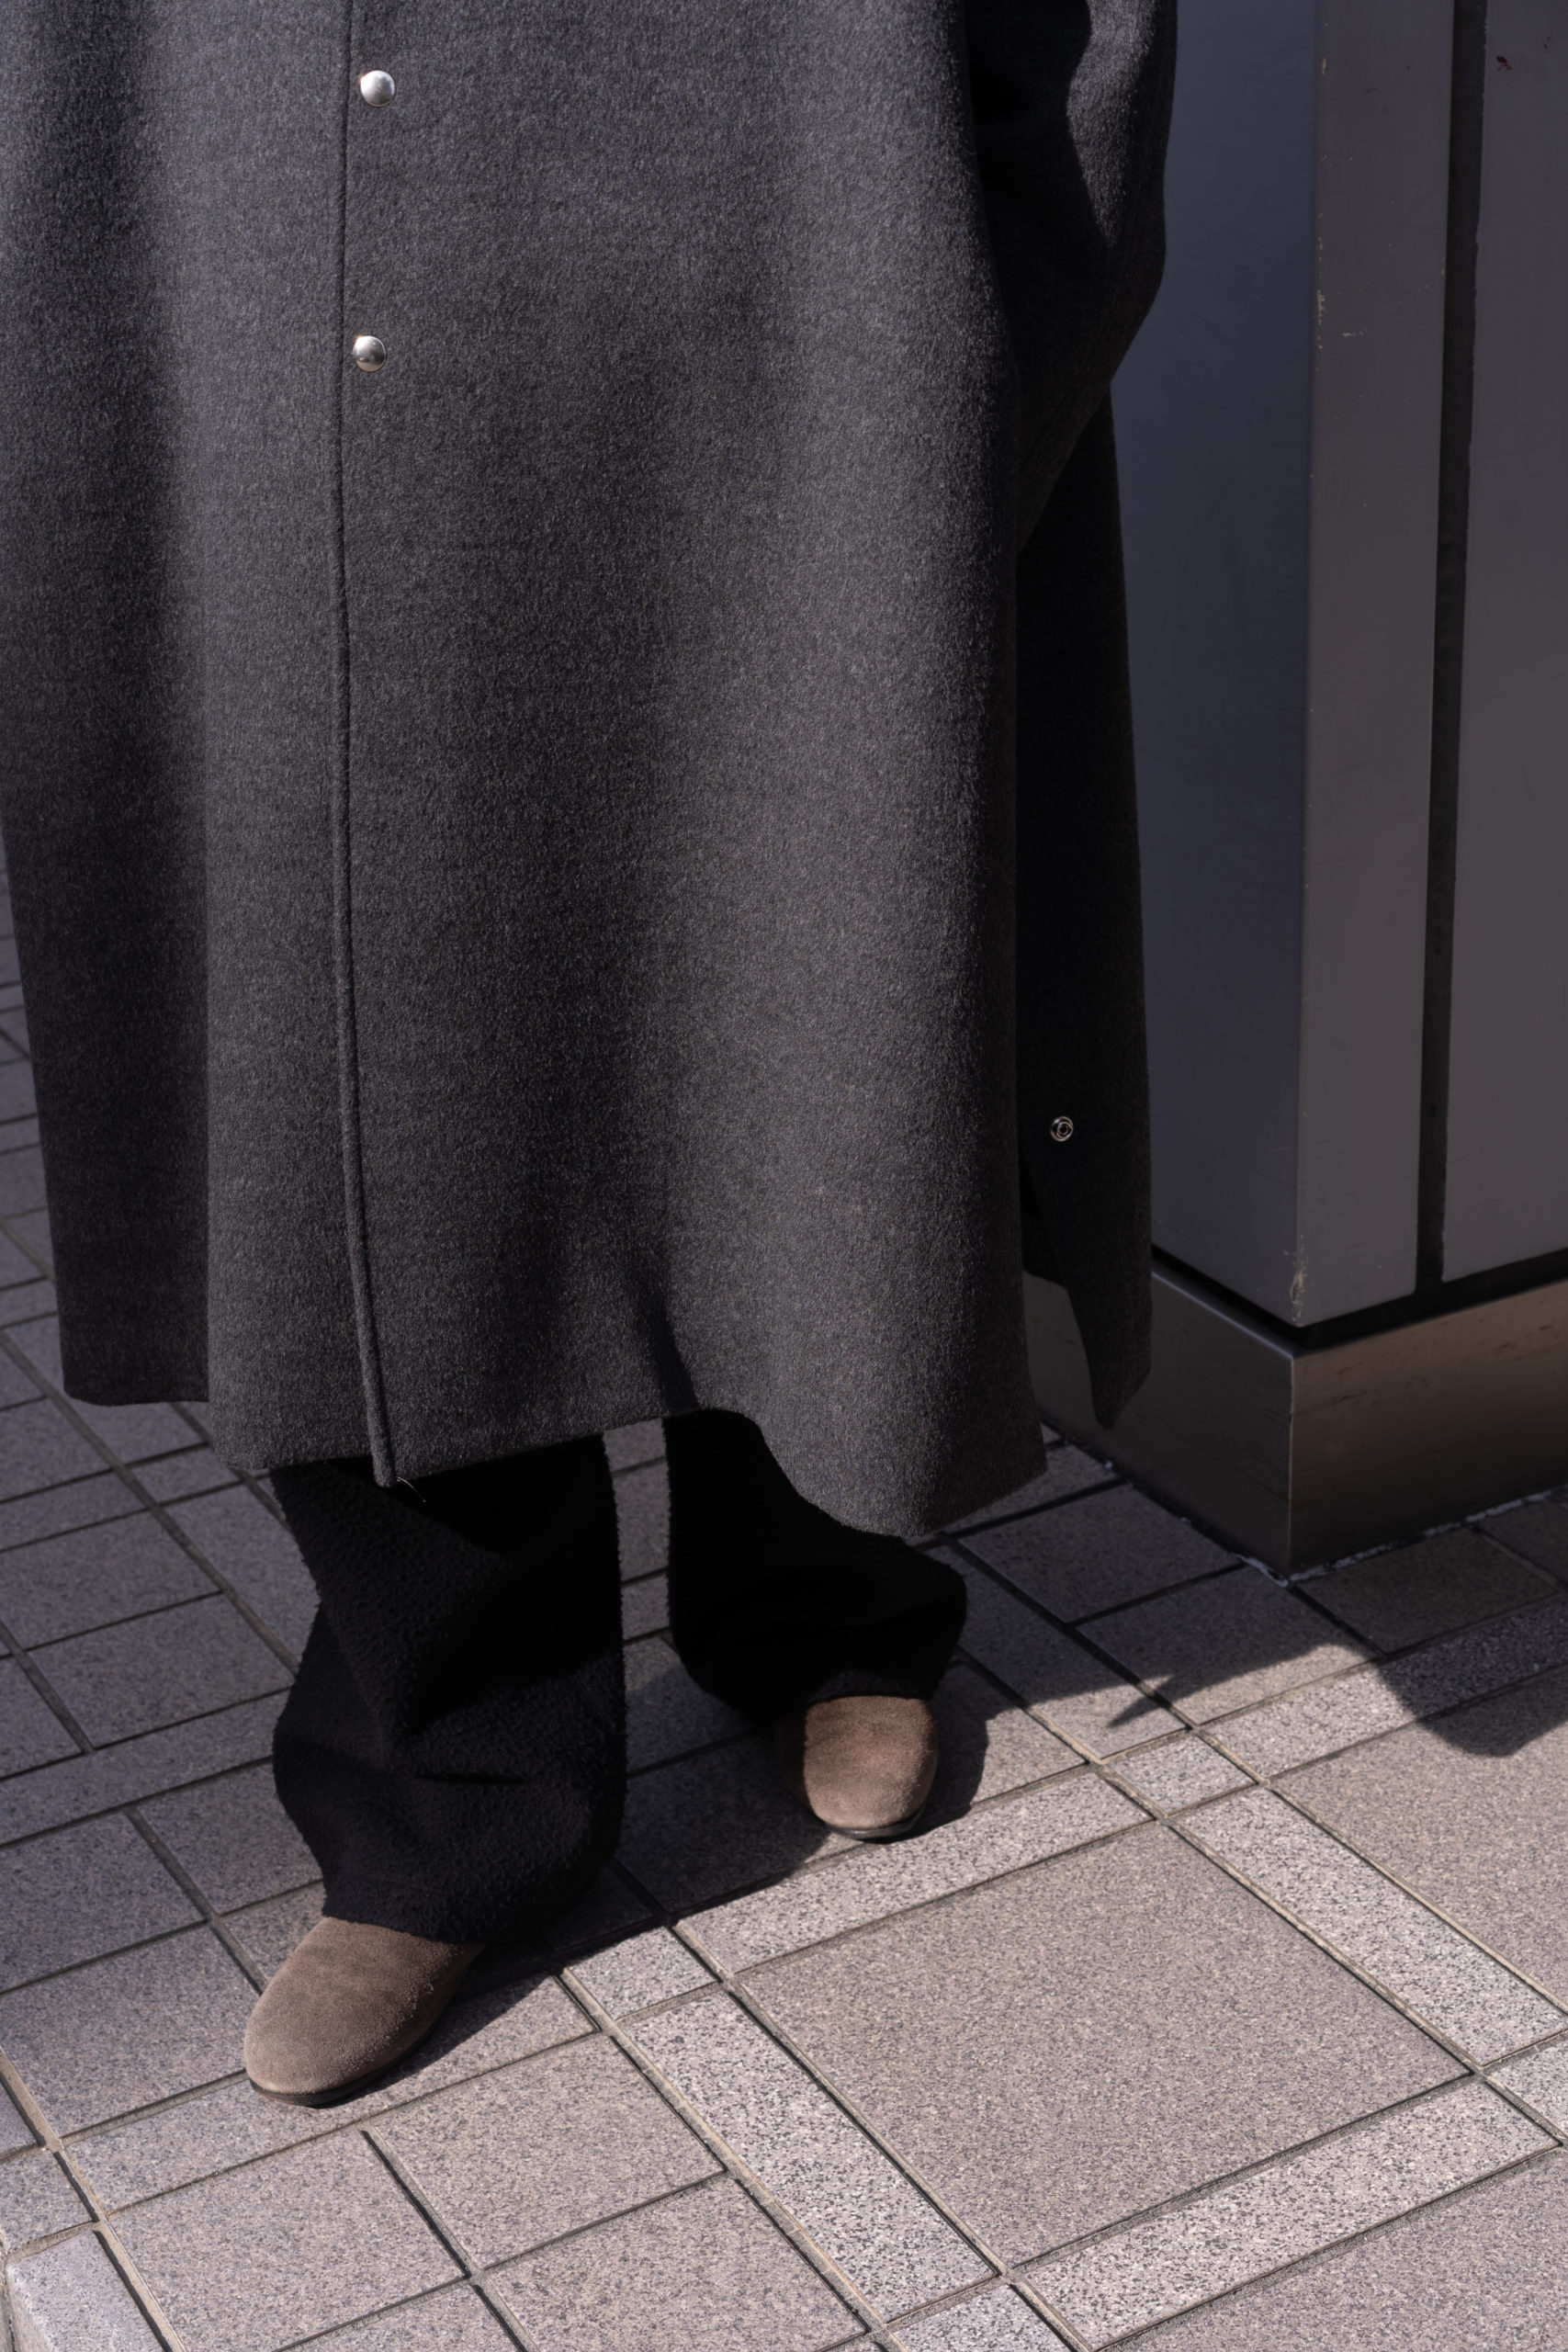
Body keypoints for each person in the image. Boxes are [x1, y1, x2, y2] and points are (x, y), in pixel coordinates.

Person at [0, 0, 1173, 2105]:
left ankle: (823, 1599)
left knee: (798, 990)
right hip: (237, 260)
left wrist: (963, 329)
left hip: (792, 296)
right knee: (361, 1056)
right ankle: (449, 1780)